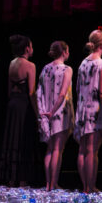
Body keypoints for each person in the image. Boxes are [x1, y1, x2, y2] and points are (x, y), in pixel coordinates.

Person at [74, 30, 102, 193]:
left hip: (82, 108)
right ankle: (90, 187)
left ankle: (86, 186)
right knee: (92, 150)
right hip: (95, 110)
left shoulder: (83, 63)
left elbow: (77, 88)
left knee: (83, 149)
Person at [36, 41, 74, 191]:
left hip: (46, 111)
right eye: (68, 50)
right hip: (59, 112)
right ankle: (52, 183)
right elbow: (63, 93)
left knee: (50, 149)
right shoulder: (66, 69)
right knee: (57, 149)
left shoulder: (45, 68)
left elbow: (39, 92)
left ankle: (49, 183)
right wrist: (53, 111)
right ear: (64, 51)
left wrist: (43, 112)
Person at [0, 35, 37, 186]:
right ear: (27, 48)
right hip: (23, 105)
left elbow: (9, 89)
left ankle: (11, 178)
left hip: (12, 104)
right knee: (22, 140)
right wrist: (38, 113)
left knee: (12, 139)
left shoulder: (12, 63)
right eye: (32, 46)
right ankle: (21, 179)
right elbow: (31, 92)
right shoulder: (30, 65)